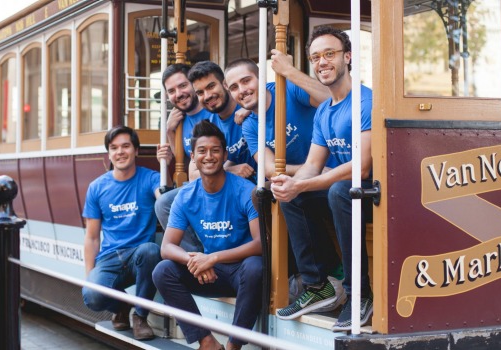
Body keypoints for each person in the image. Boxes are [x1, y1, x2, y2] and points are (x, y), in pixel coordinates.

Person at [270, 26, 374, 331]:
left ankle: (360, 295)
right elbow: (313, 164)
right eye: (315, 57)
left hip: (375, 195)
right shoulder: (325, 111)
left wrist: (302, 183)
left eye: (329, 54)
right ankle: (319, 286)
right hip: (343, 195)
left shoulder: (364, 103)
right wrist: (290, 185)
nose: (322, 62)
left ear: (348, 57)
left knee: (340, 190)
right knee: (293, 196)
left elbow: (363, 167)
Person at [224, 57, 344, 319]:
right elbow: (268, 168)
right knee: (268, 193)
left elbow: (330, 97)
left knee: (287, 192)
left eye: (246, 81)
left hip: (341, 173)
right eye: (234, 87)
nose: (242, 90)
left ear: (261, 79)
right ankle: (306, 279)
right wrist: (305, 172)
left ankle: (322, 279)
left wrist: (288, 71)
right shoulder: (250, 123)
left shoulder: (288, 90)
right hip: (312, 179)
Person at [153, 120, 262, 350]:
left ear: (224, 155)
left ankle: (233, 346)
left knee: (256, 267)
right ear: (193, 156)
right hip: (212, 272)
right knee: (162, 271)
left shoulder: (245, 190)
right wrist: (195, 260)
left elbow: (260, 244)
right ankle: (207, 342)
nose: (209, 156)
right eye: (202, 151)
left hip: (242, 272)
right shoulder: (185, 196)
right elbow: (167, 247)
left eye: (215, 150)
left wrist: (212, 258)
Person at [82, 126, 163, 340]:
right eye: (114, 148)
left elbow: (164, 200)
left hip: (139, 255)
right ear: (109, 153)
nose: (120, 152)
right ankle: (123, 304)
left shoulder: (151, 178)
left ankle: (140, 316)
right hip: (110, 258)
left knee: (151, 251)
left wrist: (167, 164)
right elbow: (91, 237)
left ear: (136, 150)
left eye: (126, 146)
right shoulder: (97, 187)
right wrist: (89, 275)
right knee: (91, 296)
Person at [156, 64, 214, 253]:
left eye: (183, 86)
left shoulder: (211, 109)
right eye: (171, 91)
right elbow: (186, 161)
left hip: (217, 179)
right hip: (197, 182)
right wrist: (169, 131)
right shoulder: (178, 121)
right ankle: (196, 256)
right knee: (164, 203)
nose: (178, 94)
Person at [187, 61, 257, 180]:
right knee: (167, 199)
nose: (207, 95)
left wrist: (252, 108)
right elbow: (193, 175)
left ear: (225, 84)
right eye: (200, 92)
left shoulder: (252, 104)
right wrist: (229, 170)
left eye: (211, 86)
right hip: (235, 188)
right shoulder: (210, 126)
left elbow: (272, 90)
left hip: (273, 184)